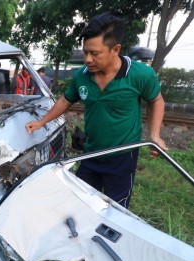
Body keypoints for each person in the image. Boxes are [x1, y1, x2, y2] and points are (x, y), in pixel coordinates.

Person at [25, 11, 167, 209]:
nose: (88, 59)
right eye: (85, 52)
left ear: (115, 49)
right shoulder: (82, 77)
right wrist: (41, 122)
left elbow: (156, 100)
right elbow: (65, 100)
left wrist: (155, 135)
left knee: (116, 209)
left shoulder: (140, 74)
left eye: (95, 53)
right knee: (79, 202)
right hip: (90, 153)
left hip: (122, 155)